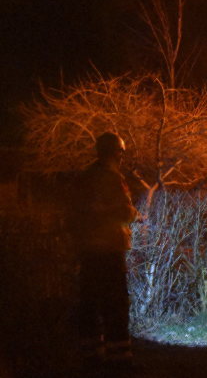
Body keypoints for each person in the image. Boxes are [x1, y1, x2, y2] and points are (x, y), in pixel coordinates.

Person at [68, 132, 139, 369]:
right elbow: (123, 211)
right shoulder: (111, 177)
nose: (121, 158)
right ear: (116, 152)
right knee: (116, 304)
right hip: (109, 250)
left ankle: (90, 356)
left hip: (87, 250)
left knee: (88, 303)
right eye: (121, 153)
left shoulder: (83, 178)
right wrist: (134, 214)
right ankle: (119, 359)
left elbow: (74, 215)